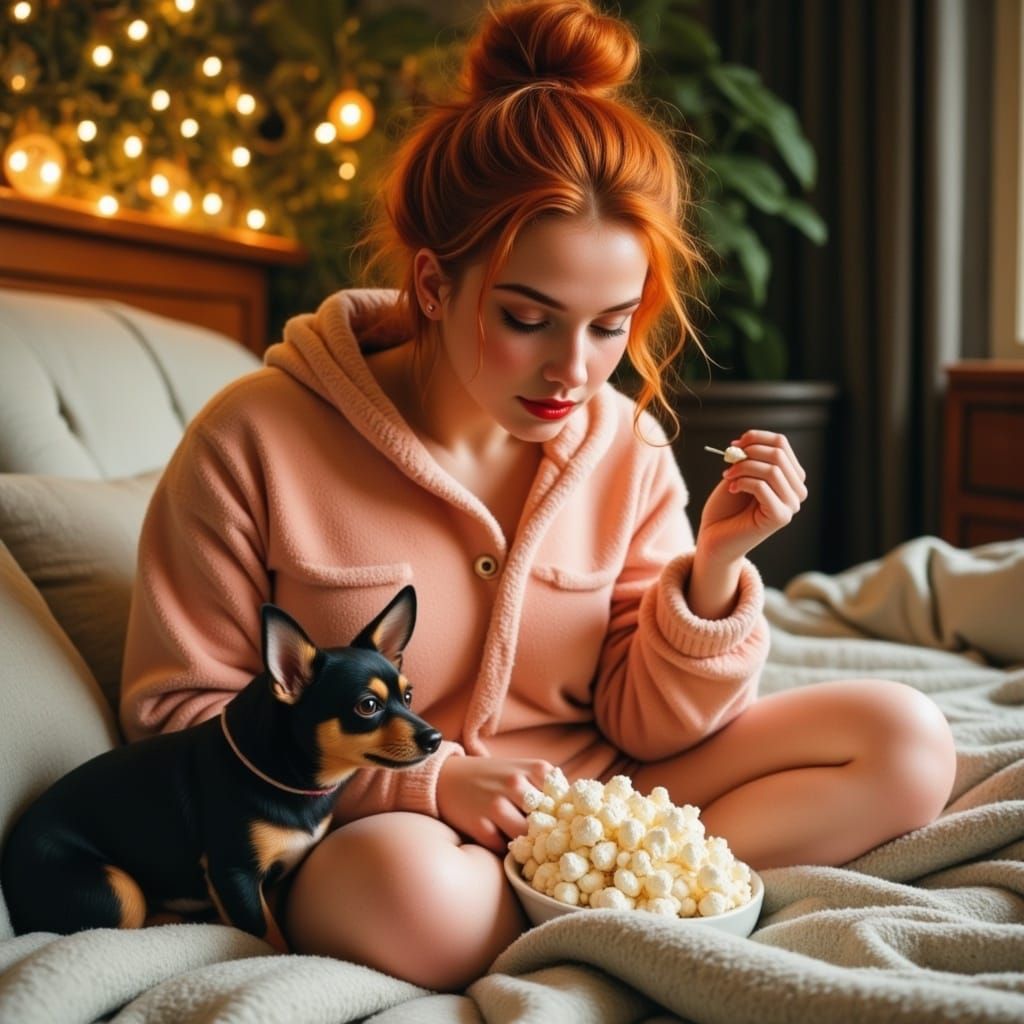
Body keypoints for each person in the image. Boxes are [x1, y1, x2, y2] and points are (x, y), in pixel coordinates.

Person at [121, 0, 957, 993]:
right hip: (387, 830)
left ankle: (613, 895)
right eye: (528, 317)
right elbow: (179, 717)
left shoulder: (625, 441)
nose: (574, 371)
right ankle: (596, 917)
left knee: (907, 741)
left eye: (610, 325)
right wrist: (423, 783)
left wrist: (715, 567)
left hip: (600, 794)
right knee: (411, 896)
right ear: (433, 283)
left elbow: (646, 726)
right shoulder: (251, 436)